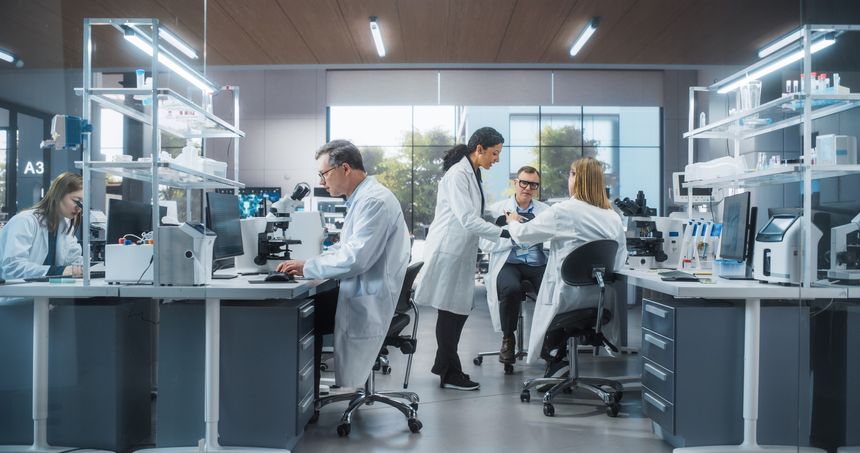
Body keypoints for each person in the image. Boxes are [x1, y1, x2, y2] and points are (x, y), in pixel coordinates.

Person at [276, 139, 410, 401]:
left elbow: (356, 258)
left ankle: (306, 399)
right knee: (305, 309)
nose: (322, 182)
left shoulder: (374, 202)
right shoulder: (362, 199)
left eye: (324, 174)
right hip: (362, 288)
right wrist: (311, 263)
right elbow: (347, 249)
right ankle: (306, 395)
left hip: (369, 296)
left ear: (345, 168)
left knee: (300, 316)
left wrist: (308, 267)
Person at [504, 157, 627, 376]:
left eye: (571, 174)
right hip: (600, 302)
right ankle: (557, 360)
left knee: (548, 313)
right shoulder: (613, 217)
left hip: (567, 299)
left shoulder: (563, 211)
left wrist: (512, 220)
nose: (568, 178)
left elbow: (523, 235)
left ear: (578, 179)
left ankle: (555, 359)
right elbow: (618, 261)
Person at [415, 126, 510, 391]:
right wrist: (503, 232)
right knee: (451, 310)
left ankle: (444, 365)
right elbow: (467, 219)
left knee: (457, 310)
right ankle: (449, 372)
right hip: (449, 250)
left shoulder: (473, 171)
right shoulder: (458, 174)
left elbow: (476, 210)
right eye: (495, 153)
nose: (497, 159)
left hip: (459, 250)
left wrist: (501, 218)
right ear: (479, 149)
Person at [480, 166, 549, 364]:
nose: (528, 188)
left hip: (537, 263)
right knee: (511, 289)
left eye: (533, 184)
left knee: (552, 290)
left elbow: (553, 237)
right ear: (515, 183)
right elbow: (484, 242)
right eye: (524, 183)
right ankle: (508, 339)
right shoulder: (496, 209)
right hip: (509, 263)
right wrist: (515, 234)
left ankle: (549, 341)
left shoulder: (546, 212)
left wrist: (525, 231)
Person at [0, 172, 84, 281]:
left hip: (47, 294)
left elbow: (75, 261)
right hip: (19, 295)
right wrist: (57, 271)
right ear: (58, 195)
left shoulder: (65, 226)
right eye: (77, 201)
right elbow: (12, 267)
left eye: (83, 203)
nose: (79, 208)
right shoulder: (24, 221)